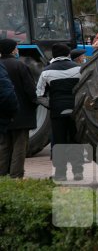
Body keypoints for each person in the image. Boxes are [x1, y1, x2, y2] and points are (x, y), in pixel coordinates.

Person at [37, 43, 83, 181]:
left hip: (57, 112)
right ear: (68, 54)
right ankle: (78, 172)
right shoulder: (79, 69)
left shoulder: (46, 71)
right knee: (76, 139)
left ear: (54, 55)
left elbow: (39, 95)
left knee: (59, 141)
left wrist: (51, 106)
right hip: (75, 110)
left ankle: (61, 173)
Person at [0, 39, 37, 178]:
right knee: (20, 145)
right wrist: (34, 103)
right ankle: (16, 176)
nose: (17, 50)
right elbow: (30, 89)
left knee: (3, 145)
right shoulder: (19, 65)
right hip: (21, 113)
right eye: (16, 48)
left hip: (3, 113)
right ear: (11, 50)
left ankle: (2, 175)